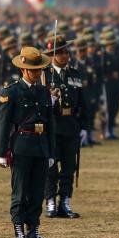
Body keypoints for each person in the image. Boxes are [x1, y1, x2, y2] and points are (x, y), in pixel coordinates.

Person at [0, 47, 55, 238]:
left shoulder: (44, 91)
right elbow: (3, 125)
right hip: (21, 147)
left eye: (40, 69)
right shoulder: (11, 91)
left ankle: (33, 232)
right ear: (24, 70)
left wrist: (51, 152)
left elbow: (50, 124)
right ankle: (19, 232)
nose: (38, 73)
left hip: (40, 147)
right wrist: (2, 152)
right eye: (34, 70)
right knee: (20, 192)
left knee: (37, 192)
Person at [43, 35, 88, 218]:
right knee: (51, 168)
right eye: (61, 53)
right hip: (53, 126)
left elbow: (83, 103)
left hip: (71, 126)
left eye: (67, 52)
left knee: (69, 167)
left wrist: (84, 126)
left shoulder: (74, 74)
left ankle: (65, 202)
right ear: (53, 55)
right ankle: (51, 202)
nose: (65, 56)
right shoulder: (45, 75)